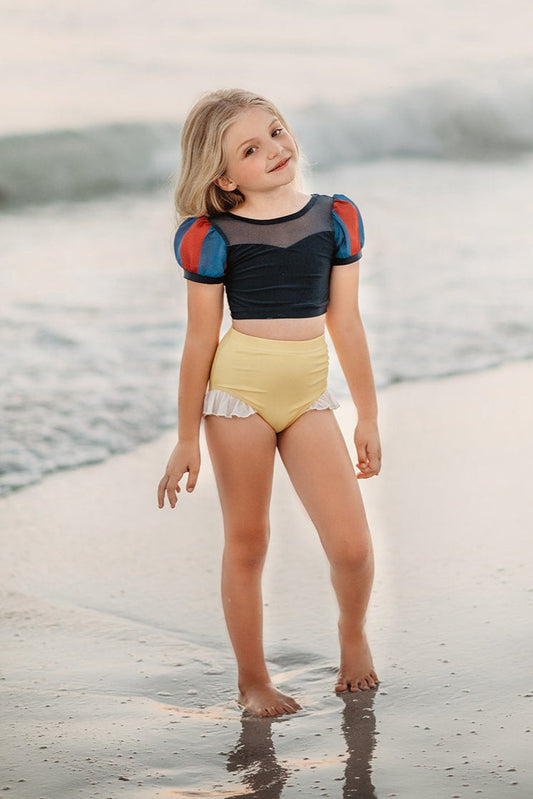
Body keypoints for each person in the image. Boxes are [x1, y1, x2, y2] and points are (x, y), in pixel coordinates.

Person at [157, 88, 381, 718]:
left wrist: (366, 414)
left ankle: (353, 633)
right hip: (237, 398)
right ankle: (252, 679)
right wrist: (185, 438)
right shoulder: (211, 236)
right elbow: (200, 340)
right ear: (224, 177)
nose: (276, 150)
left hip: (310, 394)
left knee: (353, 546)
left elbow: (348, 322)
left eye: (277, 132)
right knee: (248, 542)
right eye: (251, 149)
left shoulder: (336, 216)